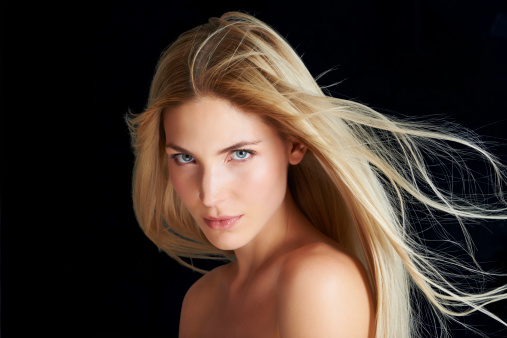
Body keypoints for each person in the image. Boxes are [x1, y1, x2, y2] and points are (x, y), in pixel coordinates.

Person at [127, 11, 507, 337]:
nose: (209, 194)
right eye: (185, 159)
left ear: (294, 143)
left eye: (239, 154)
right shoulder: (201, 300)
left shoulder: (318, 281)